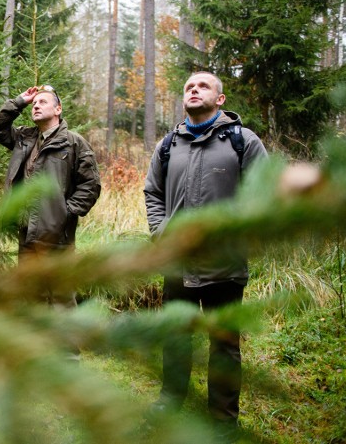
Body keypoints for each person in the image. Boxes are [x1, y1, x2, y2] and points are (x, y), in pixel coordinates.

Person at [143, 72, 268, 440]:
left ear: (221, 98)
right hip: (177, 262)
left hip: (224, 264)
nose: (193, 90)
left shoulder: (242, 142)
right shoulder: (169, 144)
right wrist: (161, 233)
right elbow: (152, 192)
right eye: (188, 87)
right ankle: (170, 401)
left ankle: (223, 420)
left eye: (202, 86)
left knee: (225, 345)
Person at [0, 85, 101, 277]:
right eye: (34, 104)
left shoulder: (74, 143)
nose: (36, 106)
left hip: (56, 235)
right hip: (26, 231)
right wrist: (19, 101)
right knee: (31, 292)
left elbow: (91, 185)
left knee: (60, 295)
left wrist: (65, 213)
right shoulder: (24, 138)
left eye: (42, 102)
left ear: (58, 109)